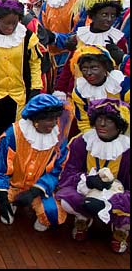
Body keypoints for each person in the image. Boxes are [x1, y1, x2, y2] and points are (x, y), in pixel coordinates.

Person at [56, 98, 130, 254]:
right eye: (99, 119)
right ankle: (83, 217)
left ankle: (120, 229)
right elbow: (68, 174)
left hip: (119, 194)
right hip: (87, 191)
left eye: (109, 120)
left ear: (120, 125)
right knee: (66, 201)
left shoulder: (128, 149)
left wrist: (109, 203)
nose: (102, 124)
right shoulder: (82, 142)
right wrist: (87, 181)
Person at [0, 94, 72, 232]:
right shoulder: (13, 134)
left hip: (40, 189)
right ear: (36, 119)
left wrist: (34, 191)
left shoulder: (59, 139)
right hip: (11, 185)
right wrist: (3, 198)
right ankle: (11, 202)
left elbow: (58, 170)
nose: (54, 123)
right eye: (49, 119)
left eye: (55, 119)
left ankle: (35, 207)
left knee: (53, 214)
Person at [0, 0, 43, 149]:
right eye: (6, 23)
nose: (10, 27)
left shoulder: (28, 38)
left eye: (14, 22)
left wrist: (35, 88)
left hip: (20, 97)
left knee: (17, 139)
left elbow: (35, 63)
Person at [39, 0, 83, 77]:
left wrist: (55, 37)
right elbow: (41, 25)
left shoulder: (79, 1)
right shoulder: (48, 1)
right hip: (49, 56)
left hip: (69, 56)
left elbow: (80, 32)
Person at [69, 46, 124, 133]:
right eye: (84, 69)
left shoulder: (122, 85)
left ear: (106, 67)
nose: (89, 73)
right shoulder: (80, 92)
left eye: (94, 68)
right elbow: (84, 121)